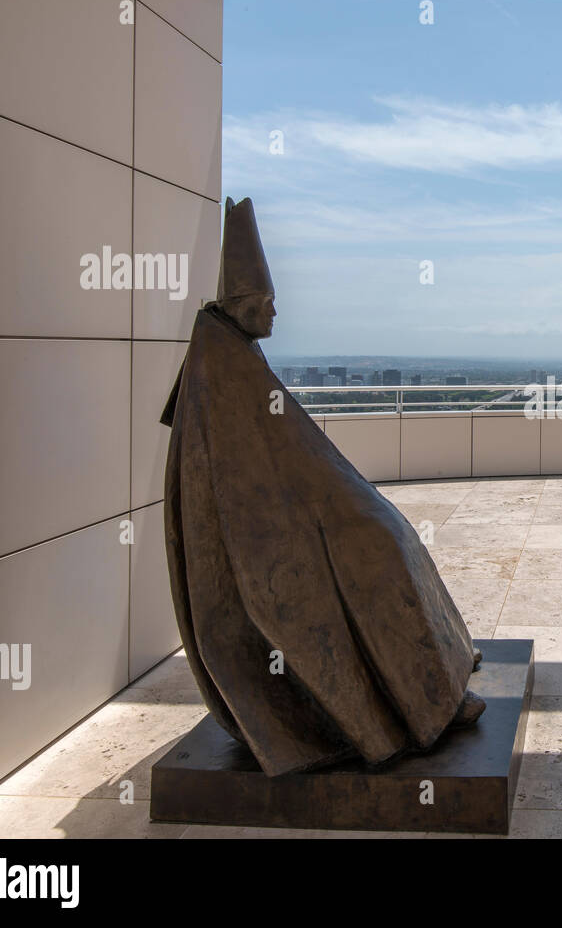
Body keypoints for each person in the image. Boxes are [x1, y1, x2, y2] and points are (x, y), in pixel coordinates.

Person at [160, 197, 484, 777]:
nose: (276, 315)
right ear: (243, 305)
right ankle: (424, 704)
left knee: (390, 532)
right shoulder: (221, 366)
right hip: (269, 539)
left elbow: (284, 453)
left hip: (294, 510)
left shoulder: (232, 354)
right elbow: (243, 489)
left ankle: (439, 675)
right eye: (268, 304)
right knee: (379, 550)